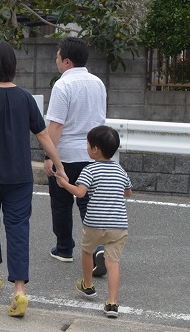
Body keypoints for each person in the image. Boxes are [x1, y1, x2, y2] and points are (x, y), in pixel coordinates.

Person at [0, 40, 68, 318]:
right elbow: (43, 135)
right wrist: (59, 164)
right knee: (18, 229)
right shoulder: (25, 98)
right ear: (12, 66)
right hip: (19, 176)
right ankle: (19, 290)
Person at [43, 37, 107, 275]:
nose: (56, 60)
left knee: (60, 203)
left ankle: (64, 248)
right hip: (94, 154)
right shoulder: (98, 83)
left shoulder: (62, 85)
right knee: (89, 204)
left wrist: (49, 157)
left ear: (67, 61)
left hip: (67, 155)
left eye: (58, 57)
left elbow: (56, 126)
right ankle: (98, 248)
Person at [55, 125, 132, 318]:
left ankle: (88, 285)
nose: (87, 148)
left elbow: (80, 193)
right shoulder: (120, 170)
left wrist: (64, 183)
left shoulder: (90, 170)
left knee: (87, 251)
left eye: (88, 144)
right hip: (118, 224)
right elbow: (128, 192)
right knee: (113, 262)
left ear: (95, 149)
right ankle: (112, 303)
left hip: (94, 223)